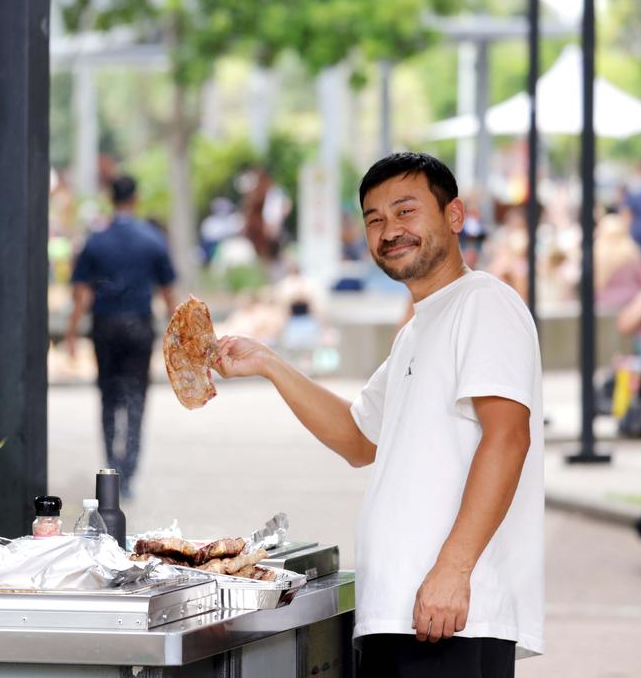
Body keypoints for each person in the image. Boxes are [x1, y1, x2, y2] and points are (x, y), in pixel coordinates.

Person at [215, 152, 542, 675]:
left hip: (451, 614)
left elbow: (508, 438)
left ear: (453, 217)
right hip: (399, 611)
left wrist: (453, 571)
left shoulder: (484, 303)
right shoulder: (416, 331)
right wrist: (270, 364)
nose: (390, 230)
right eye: (374, 218)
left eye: (406, 211)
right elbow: (356, 438)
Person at [64, 175, 176, 498]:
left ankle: (112, 467)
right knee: (137, 399)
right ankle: (129, 472)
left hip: (106, 326)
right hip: (139, 326)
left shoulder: (96, 241)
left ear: (110, 199)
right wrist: (177, 337)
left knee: (109, 398)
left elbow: (82, 295)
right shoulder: (153, 239)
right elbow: (169, 294)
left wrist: (71, 333)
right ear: (136, 198)